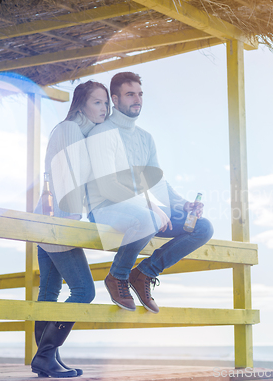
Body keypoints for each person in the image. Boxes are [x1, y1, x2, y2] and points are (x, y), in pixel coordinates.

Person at [86, 72, 214, 314]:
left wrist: (182, 205)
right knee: (150, 217)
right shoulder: (102, 133)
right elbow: (108, 186)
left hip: (142, 210)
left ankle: (144, 273)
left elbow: (156, 183)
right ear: (115, 99)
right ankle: (117, 276)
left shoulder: (145, 138)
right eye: (130, 94)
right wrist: (149, 206)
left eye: (140, 94)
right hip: (104, 208)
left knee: (202, 227)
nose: (137, 99)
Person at [31, 81, 110, 378]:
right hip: (59, 223)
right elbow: (71, 180)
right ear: (80, 104)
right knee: (84, 291)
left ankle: (46, 359)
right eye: (97, 102)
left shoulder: (72, 131)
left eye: (105, 103)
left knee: (50, 291)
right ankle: (45, 355)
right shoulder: (71, 131)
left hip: (47, 222)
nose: (103, 108)